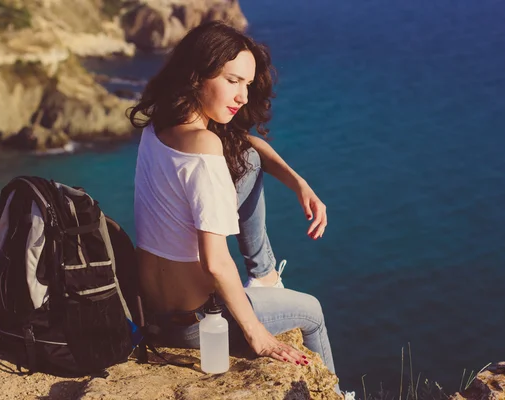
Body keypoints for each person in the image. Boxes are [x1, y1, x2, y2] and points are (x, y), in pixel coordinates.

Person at [130, 21, 346, 396]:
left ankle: (263, 277)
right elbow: (214, 262)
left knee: (246, 154)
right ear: (197, 76)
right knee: (311, 310)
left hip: (152, 307)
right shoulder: (205, 150)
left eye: (247, 84)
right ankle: (337, 395)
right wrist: (257, 334)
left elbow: (245, 144)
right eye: (233, 81)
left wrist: (299, 182)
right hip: (196, 324)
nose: (244, 96)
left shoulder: (160, 128)